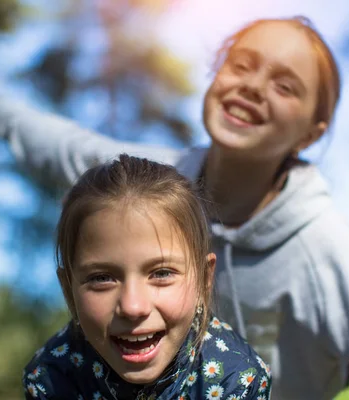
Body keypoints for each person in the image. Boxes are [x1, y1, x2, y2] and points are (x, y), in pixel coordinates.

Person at [0, 16, 349, 400]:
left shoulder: (325, 253)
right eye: (241, 65)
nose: (253, 87)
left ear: (310, 131)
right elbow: (63, 146)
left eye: (284, 85)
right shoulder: (147, 195)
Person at [22, 154, 271, 399]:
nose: (133, 307)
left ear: (204, 280)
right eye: (102, 278)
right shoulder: (52, 376)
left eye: (161, 273)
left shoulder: (236, 380)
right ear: (68, 289)